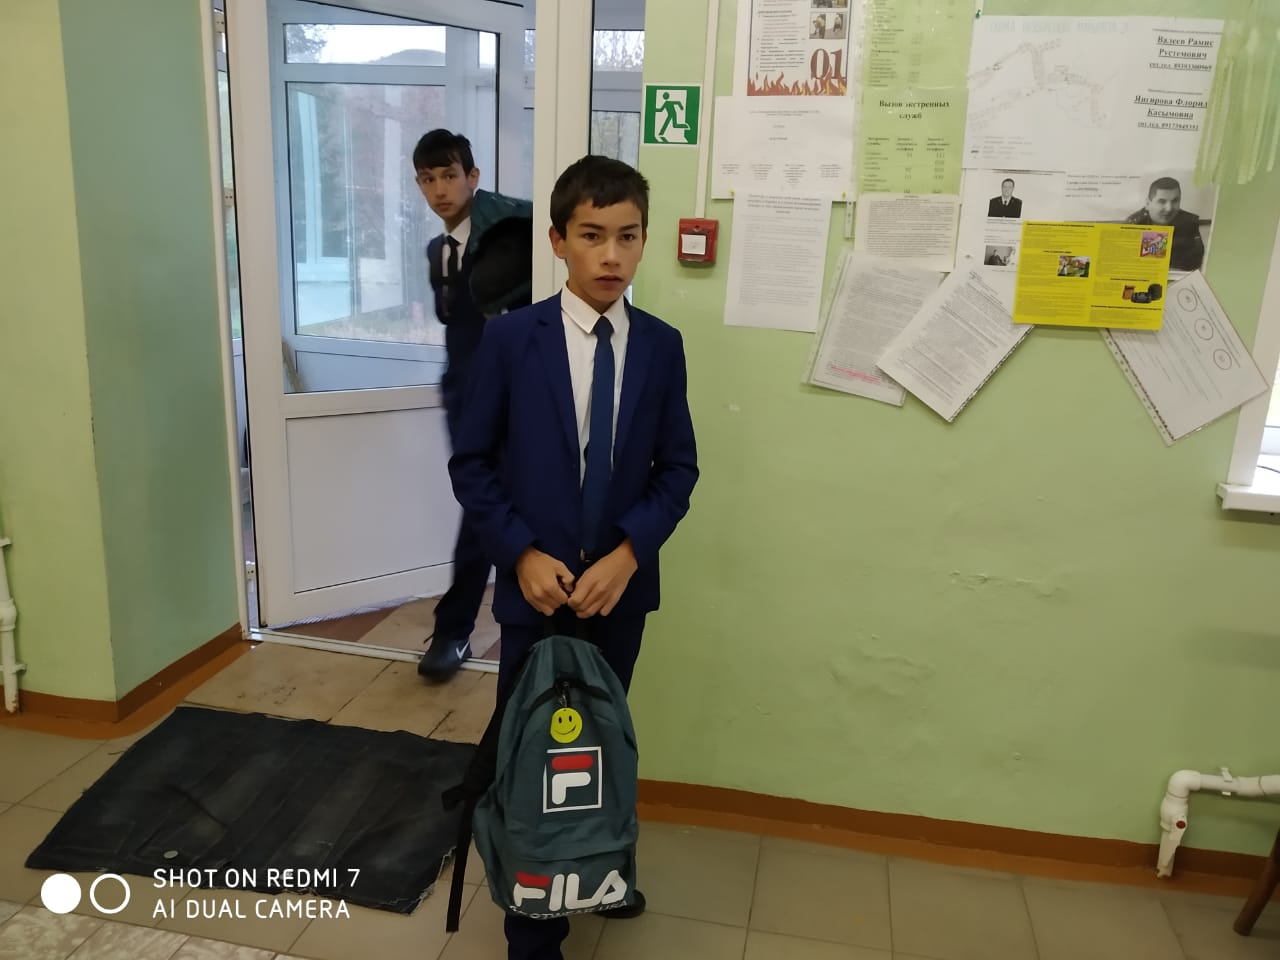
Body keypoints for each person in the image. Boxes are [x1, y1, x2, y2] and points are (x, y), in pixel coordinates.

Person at [448, 155, 699, 960]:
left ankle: (597, 870)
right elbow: (473, 465)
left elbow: (677, 469)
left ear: (644, 240)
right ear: (558, 241)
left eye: (627, 236)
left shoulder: (660, 347)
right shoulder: (510, 340)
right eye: (592, 236)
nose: (611, 255)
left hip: (617, 595)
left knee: (600, 744)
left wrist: (628, 553)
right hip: (536, 594)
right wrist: (519, 553)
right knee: (533, 751)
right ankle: (534, 929)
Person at [414, 130, 534, 681]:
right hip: (463, 394)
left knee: (488, 503)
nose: (440, 189)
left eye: (449, 175)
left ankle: (456, 628)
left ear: (473, 178)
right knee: (482, 500)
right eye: (428, 179)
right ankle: (464, 627)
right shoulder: (436, 252)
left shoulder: (512, 235)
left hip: (513, 395)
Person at [1124, 176, 1205, 272]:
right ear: (1148, 203)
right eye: (1162, 201)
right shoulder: (1134, 224)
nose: (1169, 208)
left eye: (1175, 201)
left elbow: (1194, 263)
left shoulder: (1189, 222)